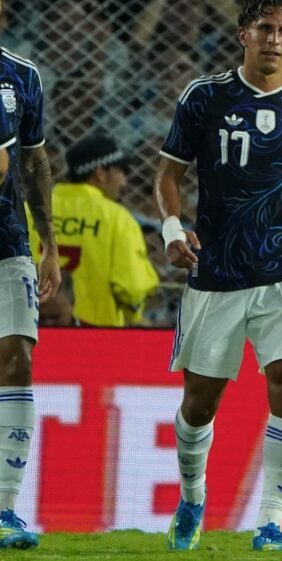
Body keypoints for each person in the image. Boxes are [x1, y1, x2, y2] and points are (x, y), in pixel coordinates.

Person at [153, 0, 282, 552]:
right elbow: (168, 174)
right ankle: (192, 496)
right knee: (199, 404)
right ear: (243, 34)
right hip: (216, 268)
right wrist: (171, 228)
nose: (273, 38)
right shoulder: (205, 97)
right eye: (264, 28)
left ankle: (271, 523)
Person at [0, 16, 60, 550]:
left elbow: (31, 163)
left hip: (8, 242)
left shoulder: (21, 76)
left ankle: (5, 508)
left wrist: (49, 242)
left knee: (18, 355)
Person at [27, 134, 159, 327]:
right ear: (100, 173)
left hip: (29, 329)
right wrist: (135, 315)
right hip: (96, 335)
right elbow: (133, 288)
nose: (124, 182)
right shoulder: (116, 218)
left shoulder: (29, 210)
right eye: (121, 171)